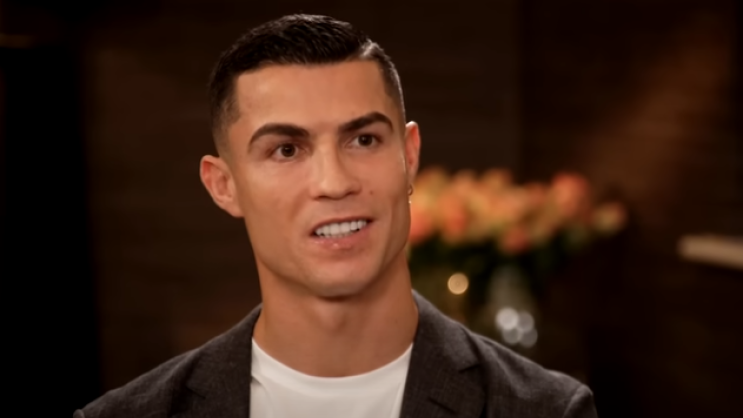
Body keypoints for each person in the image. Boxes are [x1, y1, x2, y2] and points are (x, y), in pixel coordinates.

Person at [74, 14, 598, 418]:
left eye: (363, 140)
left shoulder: (546, 410)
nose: (334, 182)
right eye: (286, 150)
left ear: (409, 156)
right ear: (224, 186)